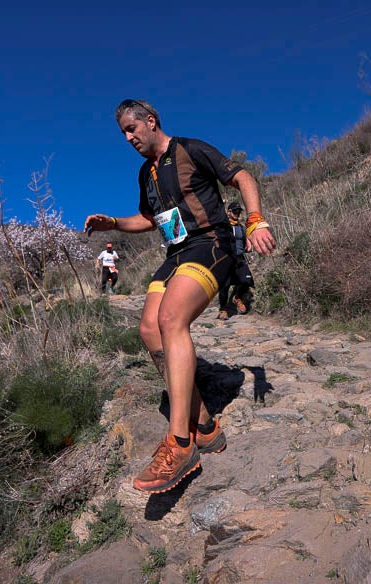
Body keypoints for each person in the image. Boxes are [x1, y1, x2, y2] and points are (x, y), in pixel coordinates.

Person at [85, 99, 275, 494]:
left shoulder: (190, 149)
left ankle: (180, 443)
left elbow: (243, 178)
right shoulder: (145, 173)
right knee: (149, 330)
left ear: (150, 121)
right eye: (123, 132)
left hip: (212, 244)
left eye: (131, 128)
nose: (128, 137)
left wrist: (255, 219)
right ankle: (204, 425)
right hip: (175, 254)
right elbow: (148, 219)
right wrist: (115, 223)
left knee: (171, 320)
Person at [217, 202, 254, 319]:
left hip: (239, 258)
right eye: (234, 211)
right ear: (228, 212)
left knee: (247, 280)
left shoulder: (241, 228)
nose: (237, 214)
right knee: (225, 286)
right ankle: (223, 309)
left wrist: (247, 247)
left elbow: (243, 243)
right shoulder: (223, 227)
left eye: (238, 211)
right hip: (226, 259)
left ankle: (237, 297)